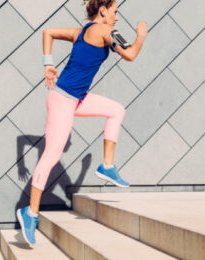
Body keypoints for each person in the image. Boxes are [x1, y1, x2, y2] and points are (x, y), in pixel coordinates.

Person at [16, 0, 148, 246]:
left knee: (116, 110)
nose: (117, 18)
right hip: (64, 101)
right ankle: (30, 212)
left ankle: (107, 165)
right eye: (115, 12)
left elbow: (48, 32)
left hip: (74, 99)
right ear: (103, 11)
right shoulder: (105, 31)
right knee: (52, 155)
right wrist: (141, 35)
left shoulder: (82, 31)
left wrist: (48, 63)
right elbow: (130, 54)